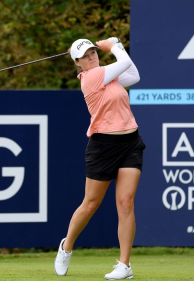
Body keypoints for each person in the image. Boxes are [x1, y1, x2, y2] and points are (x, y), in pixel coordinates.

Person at [54, 37, 144, 280]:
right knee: (91, 204)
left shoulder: (108, 75)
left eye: (94, 52)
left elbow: (134, 75)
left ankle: (124, 266)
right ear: (77, 62)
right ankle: (67, 246)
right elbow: (123, 63)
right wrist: (112, 46)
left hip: (130, 143)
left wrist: (120, 47)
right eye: (85, 55)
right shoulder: (92, 77)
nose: (92, 57)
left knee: (125, 203)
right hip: (103, 147)